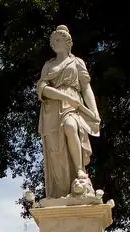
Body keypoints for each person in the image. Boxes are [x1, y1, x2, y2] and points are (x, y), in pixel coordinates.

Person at [37, 25, 102, 202]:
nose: (55, 42)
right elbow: (42, 89)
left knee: (70, 126)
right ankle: (61, 189)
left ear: (68, 42)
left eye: (59, 39)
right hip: (51, 109)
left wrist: (94, 111)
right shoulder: (48, 65)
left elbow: (86, 88)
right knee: (55, 150)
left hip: (73, 104)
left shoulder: (77, 62)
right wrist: (63, 95)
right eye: (53, 40)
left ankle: (80, 170)